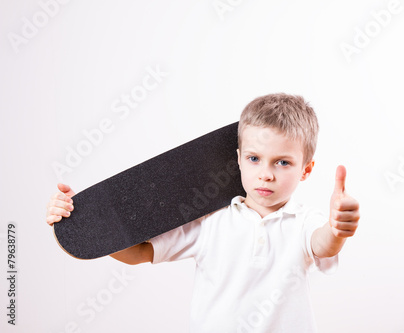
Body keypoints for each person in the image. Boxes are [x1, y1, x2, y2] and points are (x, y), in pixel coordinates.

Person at [46, 93, 360, 332]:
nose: (266, 173)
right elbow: (140, 251)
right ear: (237, 159)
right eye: (254, 159)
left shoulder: (306, 222)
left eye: (282, 162)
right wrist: (87, 222)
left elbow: (322, 243)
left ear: (306, 169)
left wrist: (336, 229)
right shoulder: (211, 221)